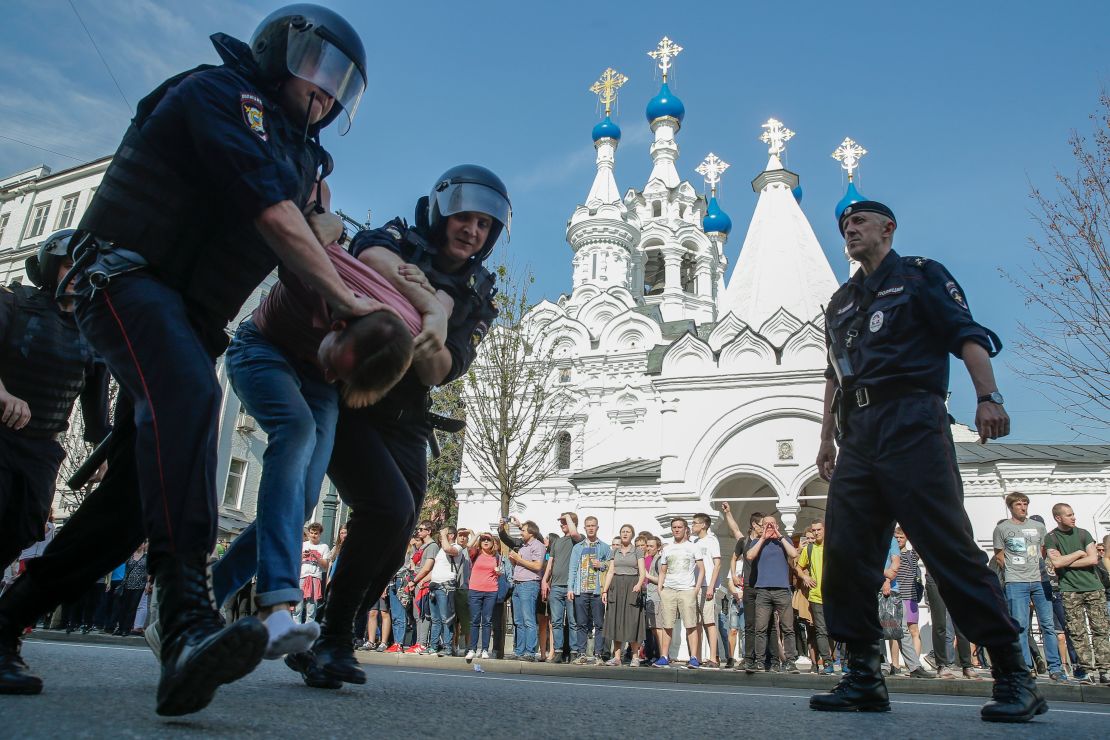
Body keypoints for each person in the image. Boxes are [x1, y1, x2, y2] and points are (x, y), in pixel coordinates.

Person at [0, 5, 371, 713]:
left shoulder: (299, 161)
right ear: (279, 49)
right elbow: (272, 218)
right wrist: (340, 285)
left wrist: (326, 255)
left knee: (128, 507)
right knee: (193, 399)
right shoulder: (218, 94)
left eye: (344, 87)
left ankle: (6, 620)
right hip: (124, 277)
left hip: (189, 317)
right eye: (322, 69)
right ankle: (186, 625)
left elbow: (298, 244)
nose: (328, 92)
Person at [810, 199, 1046, 722]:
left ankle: (1014, 674)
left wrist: (989, 397)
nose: (849, 228)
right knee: (846, 558)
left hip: (912, 421)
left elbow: (965, 334)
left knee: (948, 549)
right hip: (859, 435)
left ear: (887, 229)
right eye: (845, 224)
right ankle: (863, 677)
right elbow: (834, 375)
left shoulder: (919, 277)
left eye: (859, 221)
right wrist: (826, 441)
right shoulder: (841, 301)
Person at [285, 164, 508, 689]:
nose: (472, 231)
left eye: (484, 225)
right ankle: (334, 637)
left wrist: (418, 306)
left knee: (399, 525)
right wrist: (429, 304)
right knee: (387, 507)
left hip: (408, 414)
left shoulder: (478, 290)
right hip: (352, 397)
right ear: (440, 212)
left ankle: (329, 636)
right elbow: (368, 253)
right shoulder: (402, 238)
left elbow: (442, 367)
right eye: (464, 217)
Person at [211, 195, 430, 658]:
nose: (336, 374)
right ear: (339, 323)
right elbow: (297, 225)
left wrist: (437, 310)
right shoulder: (310, 279)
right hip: (263, 350)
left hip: (311, 378)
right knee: (294, 429)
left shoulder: (393, 330)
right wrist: (324, 224)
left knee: (304, 496)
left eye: (343, 376)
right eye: (338, 362)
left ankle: (207, 593)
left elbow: (431, 319)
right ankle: (276, 606)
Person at [0, 229, 111, 573]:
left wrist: (101, 455)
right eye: (67, 266)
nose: (76, 276)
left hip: (41, 449)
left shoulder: (94, 333)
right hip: (1, 435)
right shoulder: (14, 302)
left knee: (24, 527)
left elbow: (96, 404)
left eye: (84, 267)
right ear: (50, 267)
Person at [992, 493, 1065, 682]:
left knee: (1048, 625)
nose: (1023, 507)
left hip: (1040, 581)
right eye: (1018, 504)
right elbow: (999, 555)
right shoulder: (1002, 528)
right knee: (1021, 626)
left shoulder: (1038, 527)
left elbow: (1042, 551)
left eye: (1025, 504)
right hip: (1016, 581)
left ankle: (1055, 667)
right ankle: (1026, 667)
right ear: (1011, 507)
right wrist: (1014, 570)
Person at [1045, 503, 1109, 684]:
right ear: (1058, 518)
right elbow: (1055, 563)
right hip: (1070, 590)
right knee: (1077, 632)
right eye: (1069, 515)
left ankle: (1105, 670)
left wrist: (1065, 561)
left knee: (1101, 630)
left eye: (1073, 514)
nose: (1073, 518)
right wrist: (1079, 553)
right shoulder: (1051, 538)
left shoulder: (1083, 533)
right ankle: (1087, 671)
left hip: (1093, 588)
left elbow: (1093, 559)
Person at [746, 515, 799, 673]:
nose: (769, 526)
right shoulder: (757, 542)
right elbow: (749, 555)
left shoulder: (785, 541)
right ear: (761, 527)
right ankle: (760, 662)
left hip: (782, 590)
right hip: (763, 590)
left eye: (772, 524)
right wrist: (763, 538)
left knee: (788, 628)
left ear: (777, 525)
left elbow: (794, 554)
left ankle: (790, 662)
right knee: (760, 628)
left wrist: (779, 536)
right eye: (766, 524)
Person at [654, 517, 704, 669]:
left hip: (687, 589)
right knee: (667, 624)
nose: (676, 529)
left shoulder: (693, 547)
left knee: (691, 624)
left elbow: (701, 569)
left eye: (679, 527)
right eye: (674, 527)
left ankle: (694, 657)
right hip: (669, 590)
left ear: (685, 529)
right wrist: (660, 588)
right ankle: (664, 656)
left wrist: (696, 588)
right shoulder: (667, 549)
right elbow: (663, 570)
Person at [500, 518, 545, 661]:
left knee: (528, 619)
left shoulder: (538, 545)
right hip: (518, 584)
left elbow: (537, 566)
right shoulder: (523, 546)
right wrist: (515, 560)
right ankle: (519, 651)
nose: (521, 533)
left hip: (529, 585)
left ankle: (530, 652)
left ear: (531, 532)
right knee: (518, 621)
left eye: (523, 530)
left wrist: (518, 559)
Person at [568, 516, 611, 664]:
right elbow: (573, 569)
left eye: (593, 525)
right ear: (584, 528)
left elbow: (611, 566)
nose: (591, 528)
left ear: (597, 527)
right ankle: (581, 654)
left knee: (599, 624)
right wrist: (570, 588)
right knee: (581, 623)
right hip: (581, 590)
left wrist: (602, 564)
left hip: (597, 591)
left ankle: (598, 654)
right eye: (588, 526)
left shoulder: (604, 547)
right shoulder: (578, 547)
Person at [601, 524, 646, 666]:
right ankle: (617, 657)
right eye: (623, 532)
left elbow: (642, 571)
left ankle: (634, 657)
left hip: (632, 586)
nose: (625, 534)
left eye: (628, 532)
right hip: (616, 586)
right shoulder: (614, 552)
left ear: (632, 535)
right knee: (616, 621)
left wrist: (639, 584)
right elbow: (610, 572)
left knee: (632, 621)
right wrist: (605, 590)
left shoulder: (637, 551)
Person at [542, 512, 582, 663]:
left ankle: (573, 651)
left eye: (564, 522)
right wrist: (545, 580)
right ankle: (558, 651)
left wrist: (568, 518)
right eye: (561, 522)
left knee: (572, 621)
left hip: (571, 587)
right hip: (556, 586)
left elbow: (573, 532)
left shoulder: (578, 539)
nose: (562, 524)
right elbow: (550, 562)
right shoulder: (557, 542)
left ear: (572, 522)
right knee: (557, 621)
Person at [796, 520, 833, 675]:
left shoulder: (832, 546)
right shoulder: (809, 548)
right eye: (814, 530)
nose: (816, 532)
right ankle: (827, 662)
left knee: (836, 630)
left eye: (819, 530)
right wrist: (805, 577)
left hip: (834, 596)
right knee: (821, 630)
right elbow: (799, 567)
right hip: (816, 596)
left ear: (825, 530)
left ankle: (842, 660)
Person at [690, 513, 722, 669]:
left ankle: (713, 658)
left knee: (709, 622)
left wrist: (711, 586)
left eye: (695, 523)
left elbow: (717, 564)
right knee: (696, 622)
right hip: (695, 586)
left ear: (703, 525)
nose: (692, 525)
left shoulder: (711, 541)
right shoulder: (694, 541)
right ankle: (697, 656)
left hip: (706, 586)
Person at [464, 532, 500, 662]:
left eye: (488, 540)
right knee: (474, 620)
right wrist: (478, 534)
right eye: (483, 540)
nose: (485, 542)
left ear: (492, 543)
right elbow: (468, 545)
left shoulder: (496, 556)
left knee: (487, 620)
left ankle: (485, 649)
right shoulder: (476, 553)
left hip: (491, 591)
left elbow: (499, 572)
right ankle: (472, 649)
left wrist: (499, 572)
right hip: (475, 590)